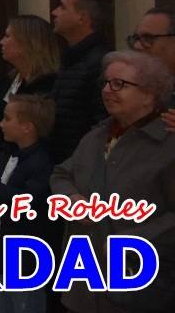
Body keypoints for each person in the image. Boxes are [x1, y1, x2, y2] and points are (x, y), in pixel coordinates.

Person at [50, 51, 175, 313]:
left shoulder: (168, 144)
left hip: (141, 283)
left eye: (119, 84)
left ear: (150, 94)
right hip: (82, 282)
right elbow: (62, 174)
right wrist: (71, 199)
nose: (108, 90)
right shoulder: (96, 136)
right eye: (106, 83)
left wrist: (130, 241)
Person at [0, 94, 56, 313]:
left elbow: (25, 202)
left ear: (27, 127)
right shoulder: (7, 154)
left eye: (7, 119)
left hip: (23, 257)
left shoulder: (41, 163)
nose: (1, 124)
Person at [0, 14, 60, 153]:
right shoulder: (12, 79)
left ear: (26, 43)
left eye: (7, 36)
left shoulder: (45, 86)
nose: (1, 42)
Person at [49, 0, 112, 162]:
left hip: (83, 164)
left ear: (82, 17)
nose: (54, 12)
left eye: (62, 7)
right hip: (64, 161)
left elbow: (102, 122)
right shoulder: (71, 58)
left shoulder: (100, 63)